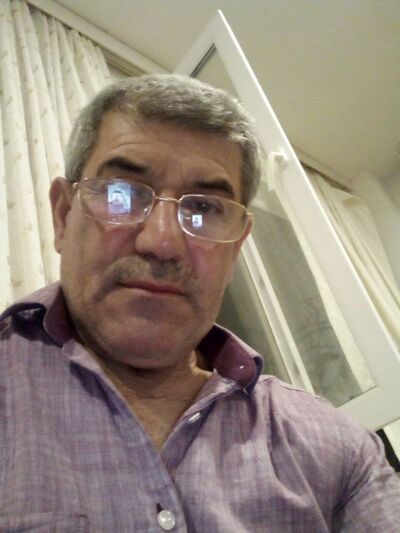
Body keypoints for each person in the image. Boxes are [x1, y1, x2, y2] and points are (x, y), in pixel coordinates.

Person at [0, 74, 399, 532]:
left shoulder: (341, 451)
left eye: (204, 209)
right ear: (63, 215)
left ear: (237, 247)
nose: (162, 242)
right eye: (121, 194)